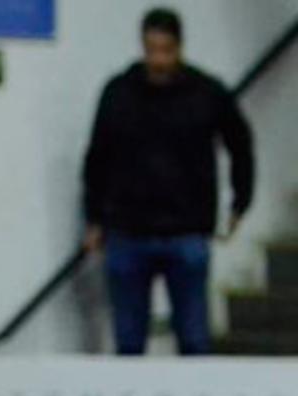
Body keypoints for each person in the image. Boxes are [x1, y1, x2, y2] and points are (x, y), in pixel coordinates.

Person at [83, 6, 255, 356]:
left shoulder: (207, 93)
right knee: (129, 342)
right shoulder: (119, 93)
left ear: (180, 48)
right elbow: (97, 158)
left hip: (187, 230)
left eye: (166, 51)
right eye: (151, 50)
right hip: (128, 230)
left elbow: (241, 144)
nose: (158, 60)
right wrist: (94, 218)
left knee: (193, 339)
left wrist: (240, 202)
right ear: (142, 47)